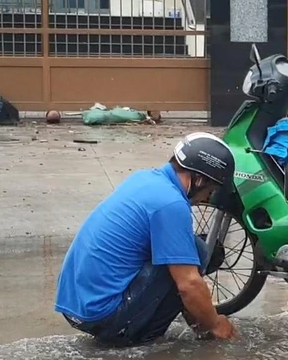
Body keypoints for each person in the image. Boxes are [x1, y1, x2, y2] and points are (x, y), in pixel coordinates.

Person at [55, 132, 238, 346]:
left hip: (76, 304)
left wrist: (199, 316)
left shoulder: (146, 178)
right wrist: (215, 324)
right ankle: (139, 338)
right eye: (211, 189)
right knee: (196, 253)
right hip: (101, 315)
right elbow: (189, 284)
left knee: (188, 249)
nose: (208, 197)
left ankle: (144, 325)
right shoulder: (170, 204)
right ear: (198, 180)